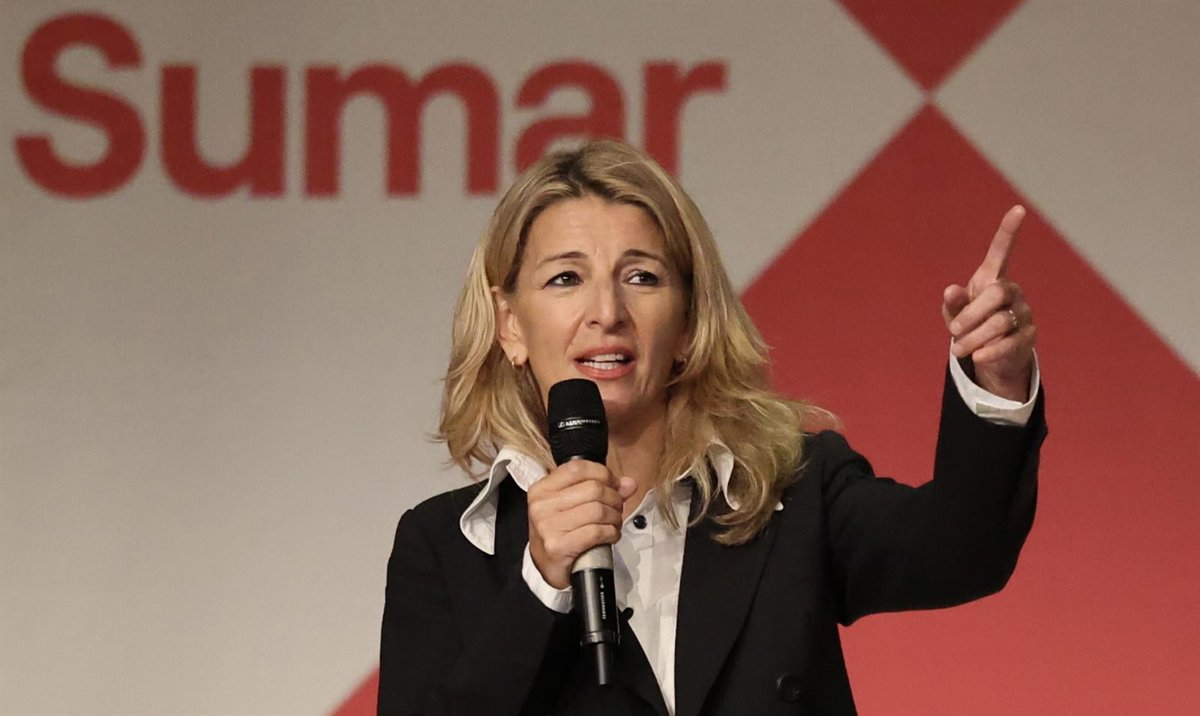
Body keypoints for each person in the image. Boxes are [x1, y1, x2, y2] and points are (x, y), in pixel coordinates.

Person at [378, 139, 1045, 716]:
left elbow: (962, 551)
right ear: (510, 325)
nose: (607, 310)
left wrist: (995, 380)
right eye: (565, 279)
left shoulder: (793, 493)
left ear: (689, 321)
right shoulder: (445, 547)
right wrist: (541, 584)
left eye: (642, 276)